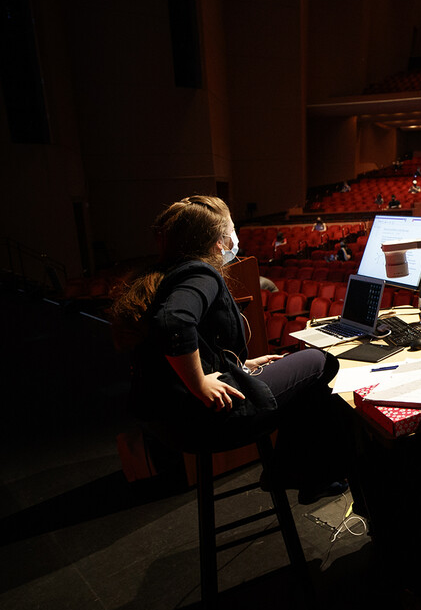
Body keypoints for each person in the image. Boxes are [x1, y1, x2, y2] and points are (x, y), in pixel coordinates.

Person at [109, 195, 347, 503]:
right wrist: (199, 382)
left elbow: (196, 342)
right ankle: (300, 472)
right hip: (207, 418)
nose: (235, 237)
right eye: (232, 229)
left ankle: (295, 471)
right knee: (321, 361)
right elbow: (173, 323)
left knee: (304, 386)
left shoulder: (166, 274)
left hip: (174, 422)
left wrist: (239, 367)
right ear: (219, 241)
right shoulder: (200, 273)